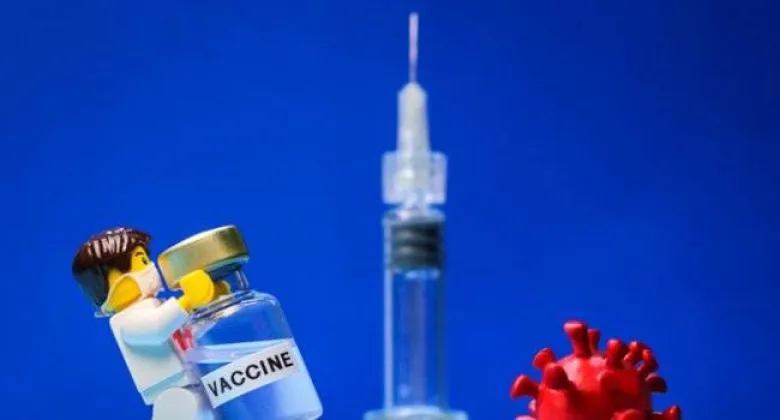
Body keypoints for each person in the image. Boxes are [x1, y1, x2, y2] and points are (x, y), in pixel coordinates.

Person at [72, 227, 216, 420]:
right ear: (110, 279)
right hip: (171, 391)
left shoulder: (158, 306)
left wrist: (209, 301)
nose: (150, 268)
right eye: (142, 262)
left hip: (193, 381)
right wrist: (188, 301)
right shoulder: (126, 322)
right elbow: (157, 327)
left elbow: (184, 327)